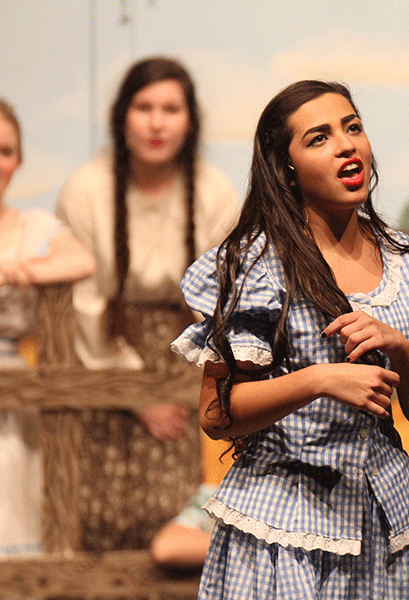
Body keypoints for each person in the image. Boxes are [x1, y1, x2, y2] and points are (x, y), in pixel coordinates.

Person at [170, 80, 409, 599]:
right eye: (319, 138)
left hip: (384, 522)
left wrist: (399, 347)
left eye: (353, 127)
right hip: (284, 530)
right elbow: (216, 415)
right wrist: (319, 380)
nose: (346, 144)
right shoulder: (257, 266)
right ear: (285, 167)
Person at [55, 57, 240, 550]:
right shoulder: (86, 189)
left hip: (186, 363)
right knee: (99, 518)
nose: (157, 123)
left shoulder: (214, 191)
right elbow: (83, 307)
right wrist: (136, 394)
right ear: (122, 116)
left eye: (171, 108)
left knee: (173, 520)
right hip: (103, 356)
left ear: (190, 120)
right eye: (144, 107)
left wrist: (181, 387)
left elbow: (226, 305)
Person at [0, 98, 95, 558]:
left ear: (17, 160)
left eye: (5, 150)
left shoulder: (32, 226)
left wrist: (24, 268)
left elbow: (81, 260)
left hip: (13, 385)